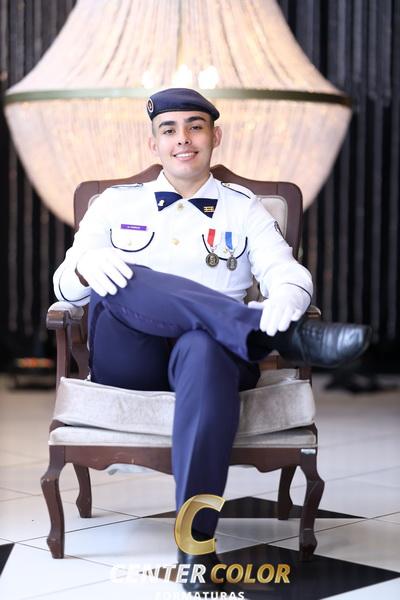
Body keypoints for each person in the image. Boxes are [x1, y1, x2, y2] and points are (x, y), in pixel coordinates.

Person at [53, 88, 371, 595]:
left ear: (215, 136)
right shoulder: (116, 203)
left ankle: (196, 547)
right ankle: (278, 337)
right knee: (126, 278)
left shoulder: (243, 208)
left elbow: (286, 272)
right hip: (130, 357)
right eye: (169, 129)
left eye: (195, 127)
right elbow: (66, 288)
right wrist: (84, 267)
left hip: (212, 356)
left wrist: (290, 295)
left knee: (202, 346)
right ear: (154, 143)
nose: (183, 138)